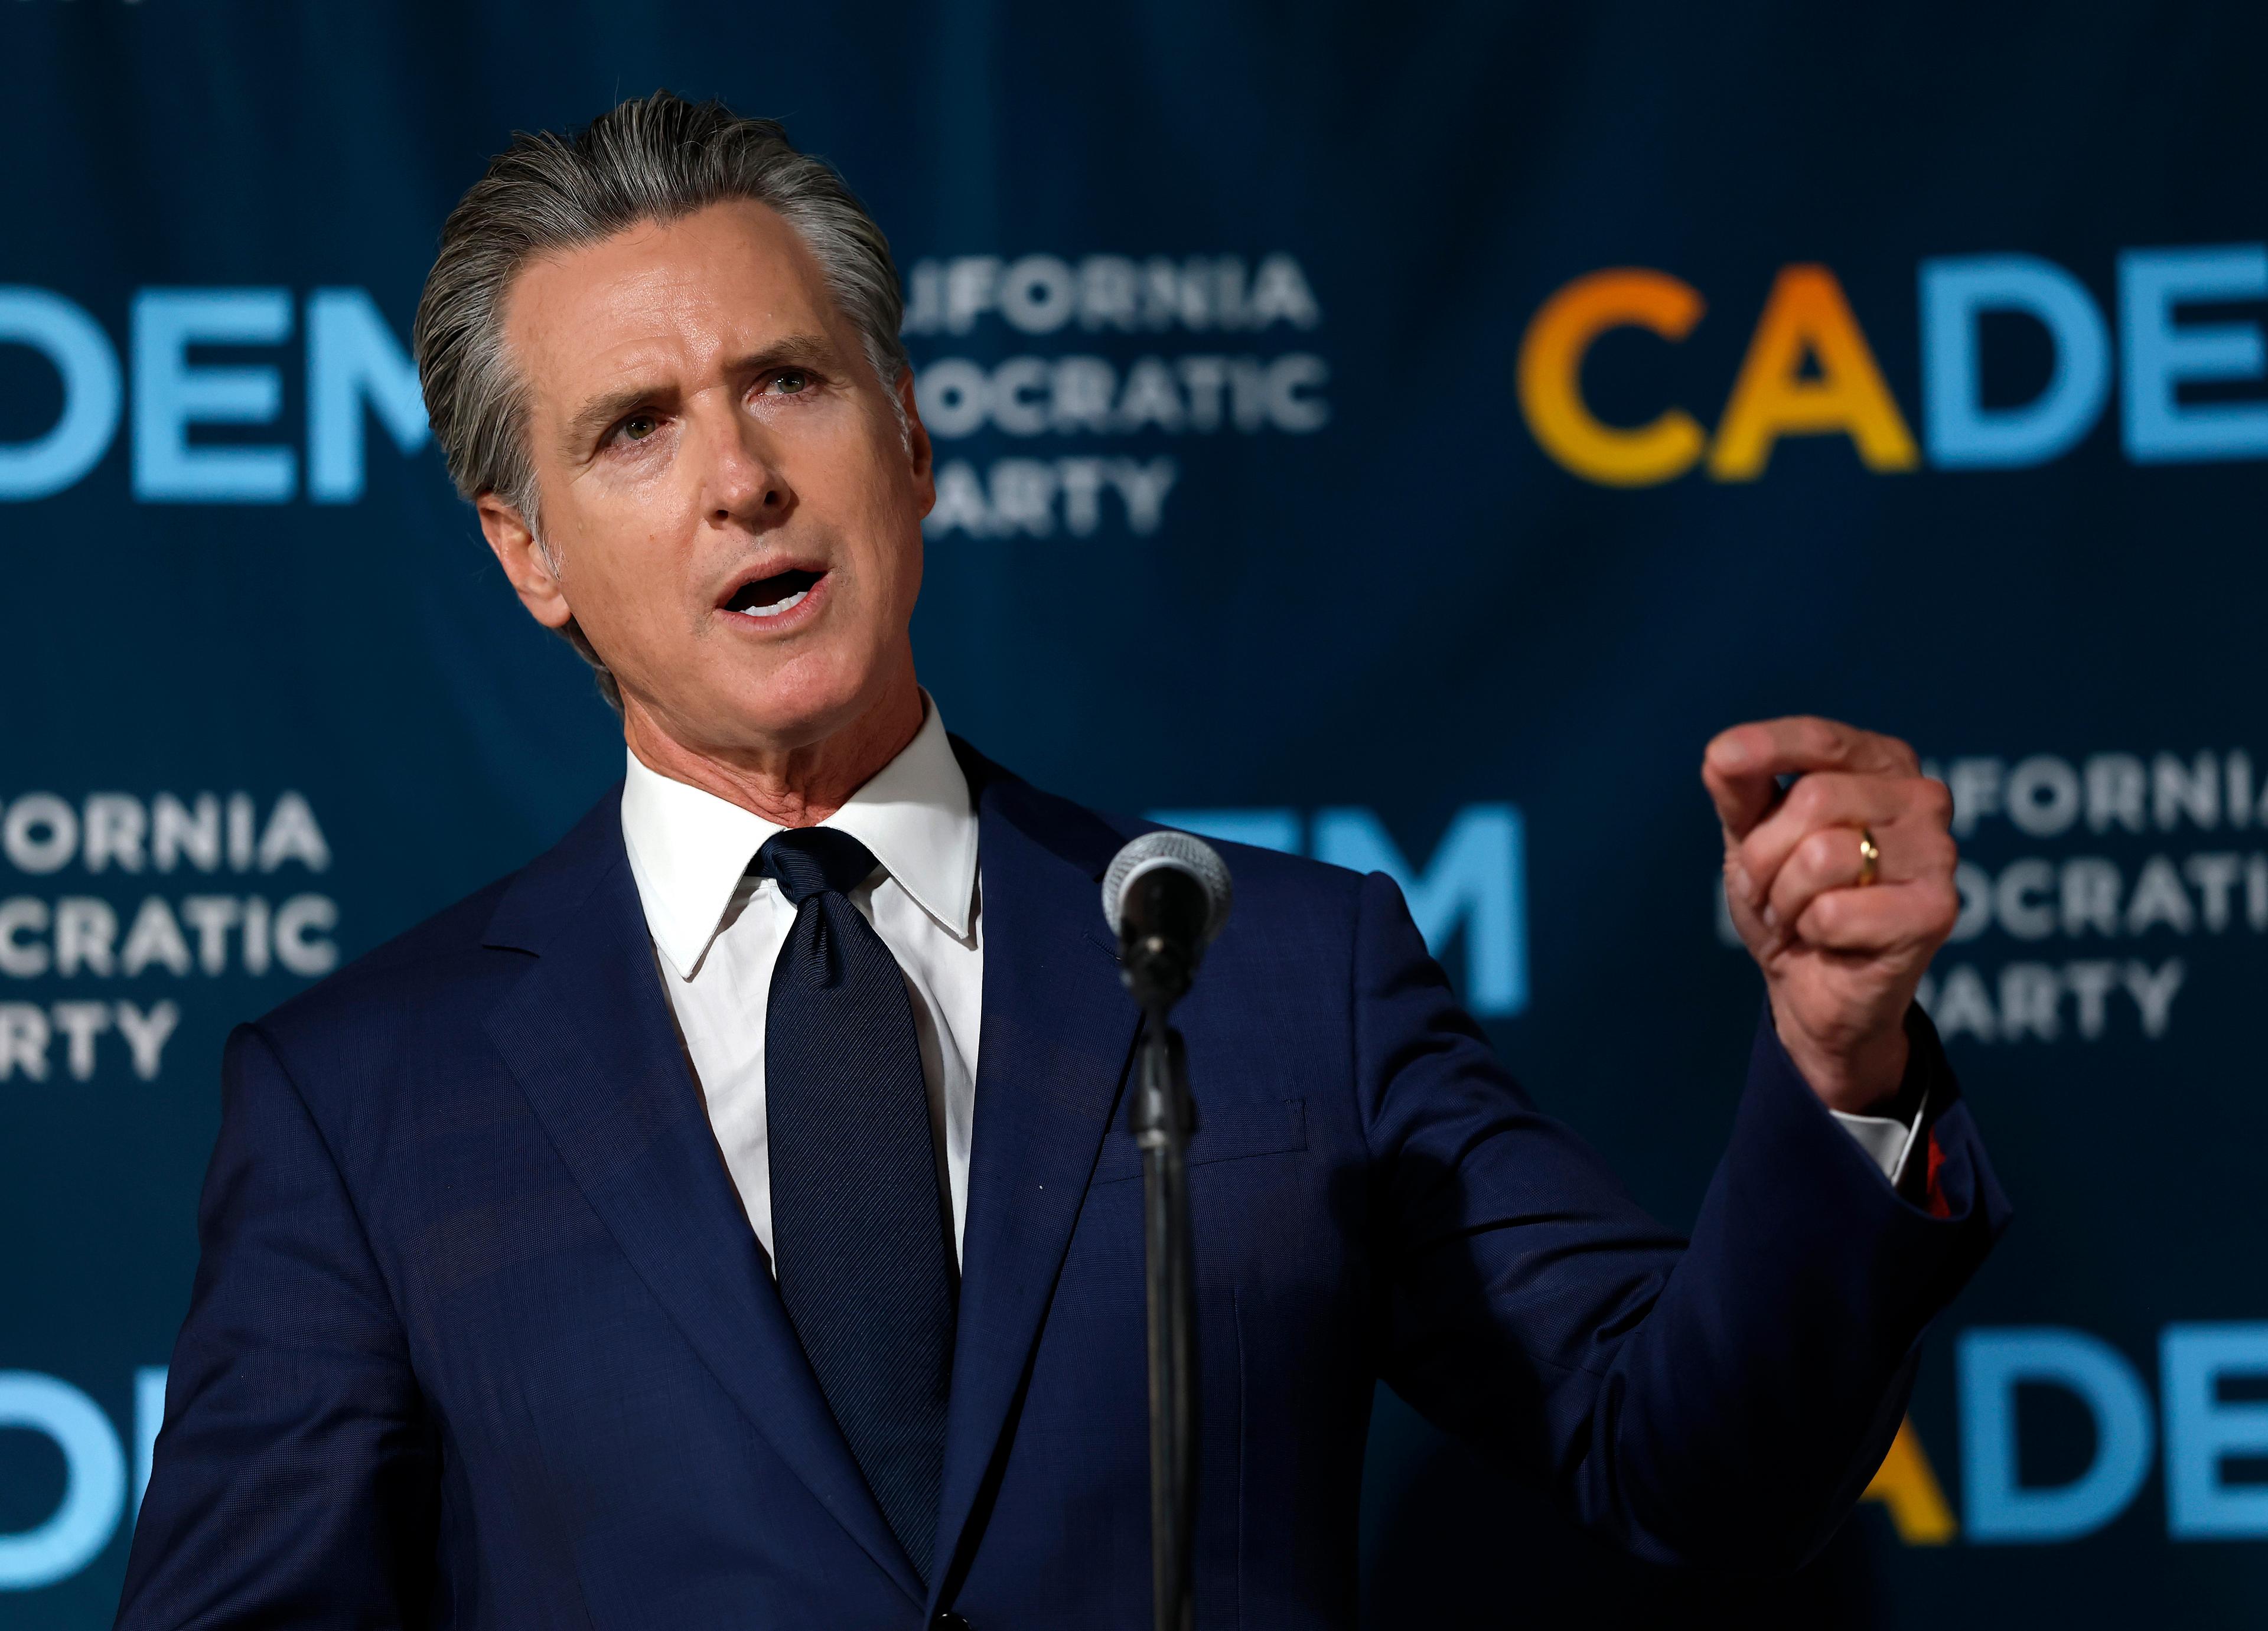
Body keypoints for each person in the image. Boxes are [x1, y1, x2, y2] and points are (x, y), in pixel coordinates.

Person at [115, 92, 2006, 1631]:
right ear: (528, 555)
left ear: (912, 437)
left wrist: (1841, 1071)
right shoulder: (365, 1103)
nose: (740, 478)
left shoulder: (1289, 975)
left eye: (789, 382)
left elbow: (1695, 1460)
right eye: (634, 430)